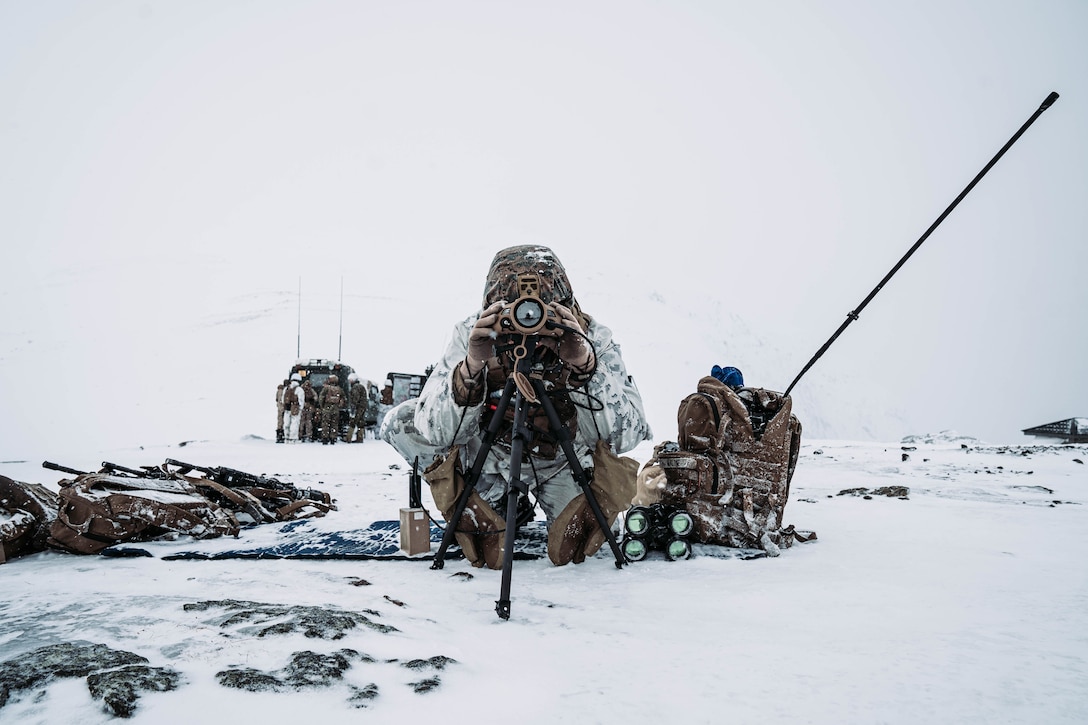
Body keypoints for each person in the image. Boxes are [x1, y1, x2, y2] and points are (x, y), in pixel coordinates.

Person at [381, 245, 652, 567]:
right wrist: (471, 367)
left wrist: (585, 366)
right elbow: (439, 432)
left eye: (542, 307)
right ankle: (475, 499)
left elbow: (627, 435)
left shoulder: (592, 335)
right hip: (491, 454)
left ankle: (576, 499)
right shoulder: (473, 331)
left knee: (580, 543)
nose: (529, 319)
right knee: (402, 422)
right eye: (516, 309)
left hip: (564, 459)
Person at [318, 374, 345, 445]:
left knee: (325, 423)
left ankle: (325, 438)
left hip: (327, 407)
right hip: (336, 408)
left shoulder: (326, 388)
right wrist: (339, 406)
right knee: (334, 424)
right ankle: (333, 438)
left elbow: (321, 397)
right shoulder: (339, 389)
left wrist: (322, 406)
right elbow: (343, 398)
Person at [347, 374, 369, 443]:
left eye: (350, 380)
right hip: (362, 407)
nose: (349, 382)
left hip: (358, 407)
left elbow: (355, 398)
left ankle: (348, 438)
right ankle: (360, 438)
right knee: (360, 422)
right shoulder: (361, 386)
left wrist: (353, 407)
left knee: (353, 422)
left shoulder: (355, 387)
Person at [284, 375, 304, 442]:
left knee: (286, 423)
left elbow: (282, 399)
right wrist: (300, 408)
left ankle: (286, 437)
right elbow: (301, 400)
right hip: (295, 408)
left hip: (287, 407)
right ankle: (293, 438)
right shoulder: (299, 389)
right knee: (295, 423)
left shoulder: (286, 388)